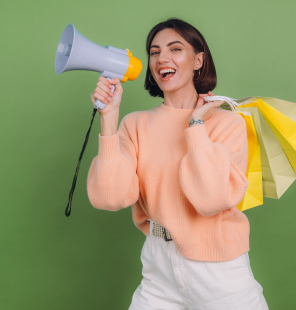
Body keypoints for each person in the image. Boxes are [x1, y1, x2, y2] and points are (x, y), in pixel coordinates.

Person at [87, 18, 269, 310]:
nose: (162, 59)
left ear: (199, 60)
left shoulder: (227, 124)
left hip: (218, 270)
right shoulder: (134, 124)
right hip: (158, 266)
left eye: (175, 49)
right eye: (155, 51)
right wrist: (109, 118)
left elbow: (211, 200)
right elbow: (109, 198)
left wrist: (196, 125)